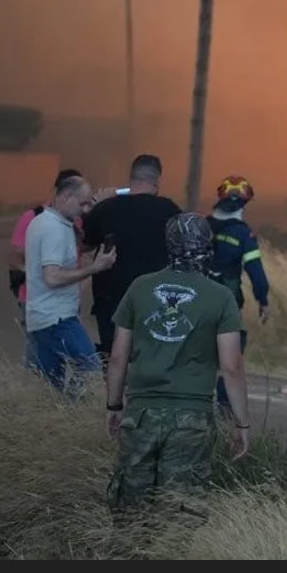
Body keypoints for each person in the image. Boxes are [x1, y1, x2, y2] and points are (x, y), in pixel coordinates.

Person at [104, 213, 250, 512]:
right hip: (192, 419)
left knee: (130, 510)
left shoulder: (139, 287)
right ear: (207, 247)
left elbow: (118, 357)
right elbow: (232, 367)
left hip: (140, 414)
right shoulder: (221, 297)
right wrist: (242, 422)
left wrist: (114, 406)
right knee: (179, 511)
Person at [25, 174, 117, 395]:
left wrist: (95, 207)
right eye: (82, 203)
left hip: (42, 318)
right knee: (91, 367)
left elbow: (79, 244)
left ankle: (59, 417)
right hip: (56, 319)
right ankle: (73, 408)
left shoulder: (51, 223)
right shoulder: (52, 228)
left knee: (51, 387)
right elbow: (52, 277)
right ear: (66, 197)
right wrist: (95, 268)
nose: (85, 209)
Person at [82, 154, 182, 357]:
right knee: (152, 357)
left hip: (111, 301)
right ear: (157, 182)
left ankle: (115, 389)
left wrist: (96, 206)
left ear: (130, 179)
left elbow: (85, 244)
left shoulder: (106, 209)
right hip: (156, 301)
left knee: (114, 358)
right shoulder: (170, 211)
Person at [206, 175, 270, 412]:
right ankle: (224, 413)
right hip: (227, 308)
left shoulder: (202, 226)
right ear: (245, 203)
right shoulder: (244, 235)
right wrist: (263, 301)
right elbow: (256, 272)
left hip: (197, 304)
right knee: (230, 362)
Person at [9, 168, 83, 370]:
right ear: (62, 193)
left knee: (61, 356)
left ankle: (56, 398)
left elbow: (81, 249)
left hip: (65, 301)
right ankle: (39, 396)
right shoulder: (33, 217)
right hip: (35, 299)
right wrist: (38, 275)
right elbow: (15, 257)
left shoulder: (76, 220)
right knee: (37, 358)